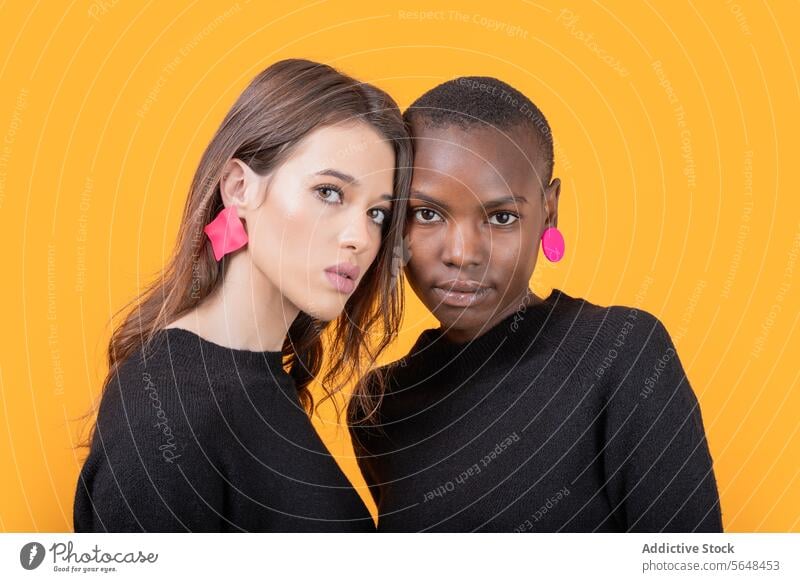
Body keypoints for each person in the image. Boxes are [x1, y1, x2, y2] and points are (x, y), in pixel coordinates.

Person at [349, 76, 723, 532]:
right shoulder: (381, 406)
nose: (462, 253)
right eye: (427, 214)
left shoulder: (619, 353)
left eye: (501, 218)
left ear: (549, 211)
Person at [74, 59, 412, 532]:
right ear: (238, 188)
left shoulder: (261, 380)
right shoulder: (169, 412)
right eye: (330, 192)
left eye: (377, 214)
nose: (360, 237)